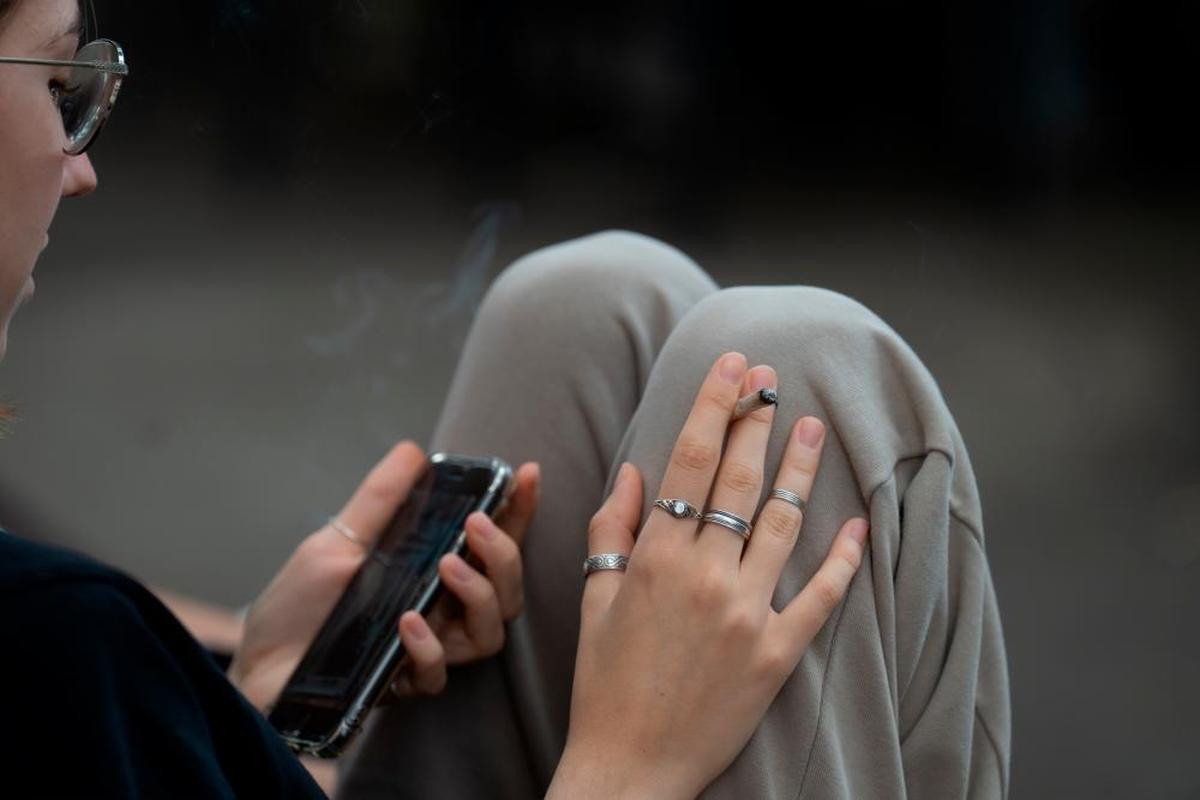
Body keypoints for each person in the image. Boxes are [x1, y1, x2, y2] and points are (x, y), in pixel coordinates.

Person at [0, 1, 926, 798]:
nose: (83, 167)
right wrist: (631, 757)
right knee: (801, 364)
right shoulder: (59, 637)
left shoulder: (77, 639)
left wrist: (246, 699)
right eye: (61, 87)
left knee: (586, 301)